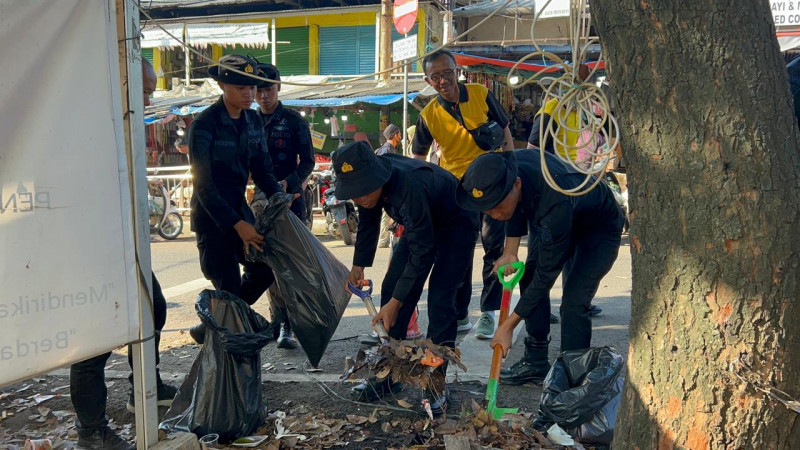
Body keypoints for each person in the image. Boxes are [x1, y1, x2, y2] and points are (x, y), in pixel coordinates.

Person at [69, 58, 176, 450]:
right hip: (91, 247)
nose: (149, 97)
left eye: (151, 90)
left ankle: (144, 385)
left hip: (124, 243)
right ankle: (91, 433)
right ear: (122, 82)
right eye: (145, 90)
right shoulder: (90, 124)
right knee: (92, 344)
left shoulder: (126, 125)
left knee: (155, 307)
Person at [455, 150, 623, 385]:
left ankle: (570, 375)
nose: (494, 214)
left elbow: (546, 274)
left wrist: (508, 326)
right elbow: (511, 208)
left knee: (574, 302)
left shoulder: (553, 197)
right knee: (528, 276)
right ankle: (535, 361)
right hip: (561, 217)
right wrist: (510, 252)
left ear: (517, 184)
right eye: (487, 209)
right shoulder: (507, 168)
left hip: (597, 229)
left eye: (496, 207)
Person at [335, 141, 478, 416]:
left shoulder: (408, 185)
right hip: (419, 225)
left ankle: (435, 381)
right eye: (355, 194)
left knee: (440, 299)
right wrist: (358, 265)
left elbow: (422, 253)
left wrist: (398, 303)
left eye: (364, 191)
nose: (362, 199)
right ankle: (389, 374)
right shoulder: (367, 189)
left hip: (455, 224)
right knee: (390, 290)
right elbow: (368, 222)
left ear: (377, 176)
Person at [411, 49, 514, 340]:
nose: (443, 80)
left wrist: (510, 165)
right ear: (428, 81)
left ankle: (488, 313)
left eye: (447, 73)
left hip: (494, 184)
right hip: (457, 191)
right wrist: (425, 191)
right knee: (461, 252)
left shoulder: (481, 93)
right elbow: (418, 156)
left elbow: (505, 128)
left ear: (457, 70)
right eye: (435, 76)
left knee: (494, 247)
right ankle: (461, 313)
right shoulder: (429, 114)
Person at [186, 54, 286, 344]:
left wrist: (281, 200)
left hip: (241, 211)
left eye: (252, 87)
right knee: (227, 284)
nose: (249, 93)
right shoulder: (203, 125)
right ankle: (225, 350)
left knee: (266, 267)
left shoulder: (253, 120)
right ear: (222, 86)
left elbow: (263, 170)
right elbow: (203, 186)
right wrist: (237, 225)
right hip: (212, 218)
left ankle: (212, 326)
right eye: (241, 87)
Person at [238, 63, 315, 349]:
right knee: (268, 264)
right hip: (260, 206)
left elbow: (307, 161)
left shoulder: (295, 121)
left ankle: (294, 324)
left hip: (291, 204)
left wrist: (288, 183)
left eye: (268, 88)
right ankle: (279, 321)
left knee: (292, 268)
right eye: (258, 89)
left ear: (278, 87)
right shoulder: (248, 121)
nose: (263, 95)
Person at [376, 123, 401, 247]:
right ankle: (382, 241)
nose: (401, 135)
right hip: (386, 187)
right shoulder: (386, 150)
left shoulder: (390, 149)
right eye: (399, 133)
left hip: (389, 186)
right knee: (387, 214)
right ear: (395, 135)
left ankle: (385, 240)